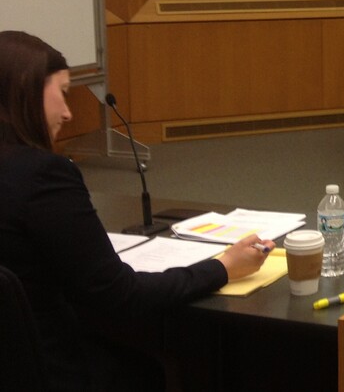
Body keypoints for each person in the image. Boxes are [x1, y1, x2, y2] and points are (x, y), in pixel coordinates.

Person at [0, 31, 273, 390]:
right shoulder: (43, 176)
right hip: (45, 370)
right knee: (148, 370)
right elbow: (120, 296)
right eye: (63, 93)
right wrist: (222, 267)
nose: (68, 113)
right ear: (26, 89)